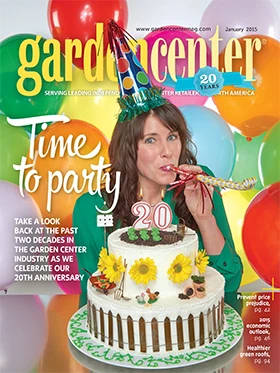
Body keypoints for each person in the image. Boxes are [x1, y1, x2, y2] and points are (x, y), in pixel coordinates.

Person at [73, 102, 243, 306]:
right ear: (128, 148)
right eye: (151, 140)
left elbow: (230, 283)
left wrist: (204, 218)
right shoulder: (90, 208)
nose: (167, 151)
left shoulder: (199, 184)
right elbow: (94, 297)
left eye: (172, 137)